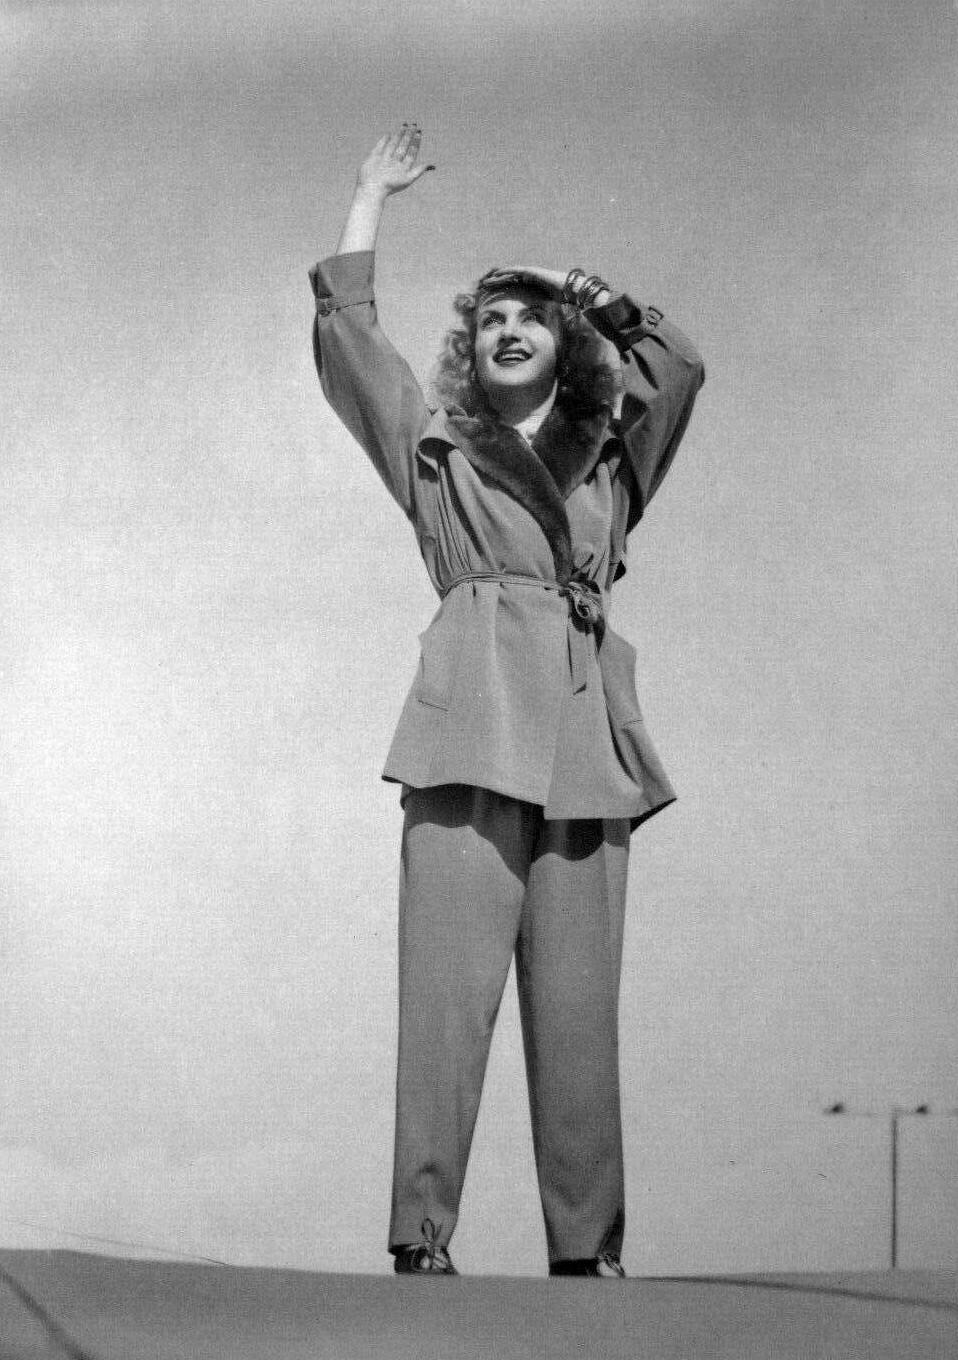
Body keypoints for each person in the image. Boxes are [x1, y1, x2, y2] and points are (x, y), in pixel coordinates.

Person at [309, 126, 705, 1277]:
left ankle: (588, 1251)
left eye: (532, 316)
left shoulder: (614, 456)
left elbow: (678, 368)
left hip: (586, 736)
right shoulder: (431, 443)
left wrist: (588, 292)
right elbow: (350, 340)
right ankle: (420, 1236)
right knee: (444, 1000)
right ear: (468, 349)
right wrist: (368, 196)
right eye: (489, 319)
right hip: (467, 725)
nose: (509, 328)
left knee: (579, 1014)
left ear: (566, 344)